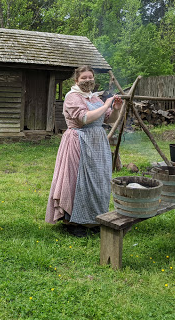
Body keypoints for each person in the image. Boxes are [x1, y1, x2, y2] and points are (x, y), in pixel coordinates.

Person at [45, 65, 122, 237]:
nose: (88, 80)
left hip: (97, 143)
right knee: (77, 181)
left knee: (98, 180)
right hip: (78, 141)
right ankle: (73, 222)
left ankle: (93, 219)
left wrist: (116, 108)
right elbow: (84, 118)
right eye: (84, 78)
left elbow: (109, 119)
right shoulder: (72, 97)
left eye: (90, 77)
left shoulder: (94, 97)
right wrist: (107, 104)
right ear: (76, 80)